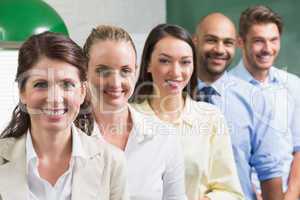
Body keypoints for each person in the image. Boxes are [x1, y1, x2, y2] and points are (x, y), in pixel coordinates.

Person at [0, 32, 128, 200]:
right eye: (41, 84)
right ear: (22, 92)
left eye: (67, 84)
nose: (54, 98)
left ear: (82, 92)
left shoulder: (112, 161)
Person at [130, 23, 245, 200]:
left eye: (185, 62)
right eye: (165, 60)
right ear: (147, 65)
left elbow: (230, 192)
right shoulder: (129, 116)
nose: (176, 72)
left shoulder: (210, 118)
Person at [83, 25, 186, 200]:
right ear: (84, 70)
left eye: (125, 71)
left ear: (136, 70)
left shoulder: (164, 138)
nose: (116, 83)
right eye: (103, 71)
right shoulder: (67, 138)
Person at [193, 13, 285, 200]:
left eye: (227, 43)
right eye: (211, 40)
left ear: (236, 45)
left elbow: (269, 171)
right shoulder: (174, 96)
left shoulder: (255, 99)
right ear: (195, 41)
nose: (219, 49)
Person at [230, 5, 300, 199]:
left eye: (273, 40)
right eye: (259, 41)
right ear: (240, 42)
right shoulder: (224, 91)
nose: (268, 49)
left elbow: (299, 147)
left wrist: (291, 195)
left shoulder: (293, 86)